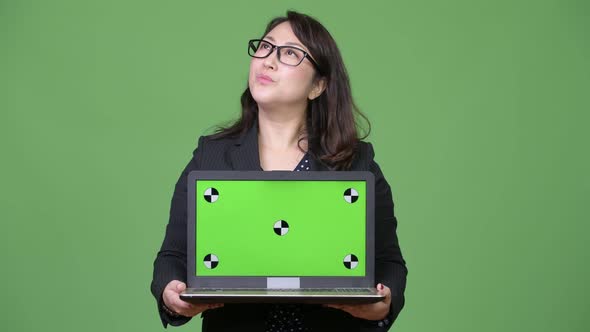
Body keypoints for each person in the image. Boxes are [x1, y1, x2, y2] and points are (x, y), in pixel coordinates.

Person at [151, 10, 407, 331]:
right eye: (265, 47)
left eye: (289, 53)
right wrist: (170, 290)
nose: (268, 61)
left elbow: (388, 264)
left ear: (318, 85)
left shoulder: (355, 162)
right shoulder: (210, 156)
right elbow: (172, 256)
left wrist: (382, 303)